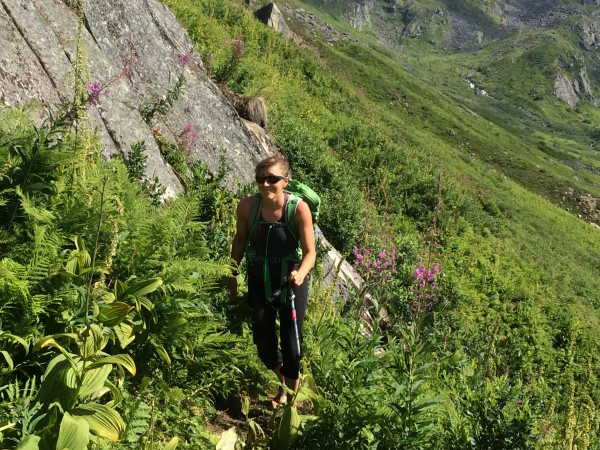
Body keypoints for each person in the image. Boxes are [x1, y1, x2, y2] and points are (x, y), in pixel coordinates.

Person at [228, 154, 316, 408]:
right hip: (258, 277)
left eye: (272, 179)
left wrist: (301, 274)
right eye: (260, 179)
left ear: (285, 181)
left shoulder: (298, 208)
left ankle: (290, 399)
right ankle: (284, 385)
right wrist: (231, 274)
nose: (265, 184)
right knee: (263, 342)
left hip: (291, 281)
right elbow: (240, 241)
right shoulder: (247, 207)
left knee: (292, 344)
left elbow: (310, 252)